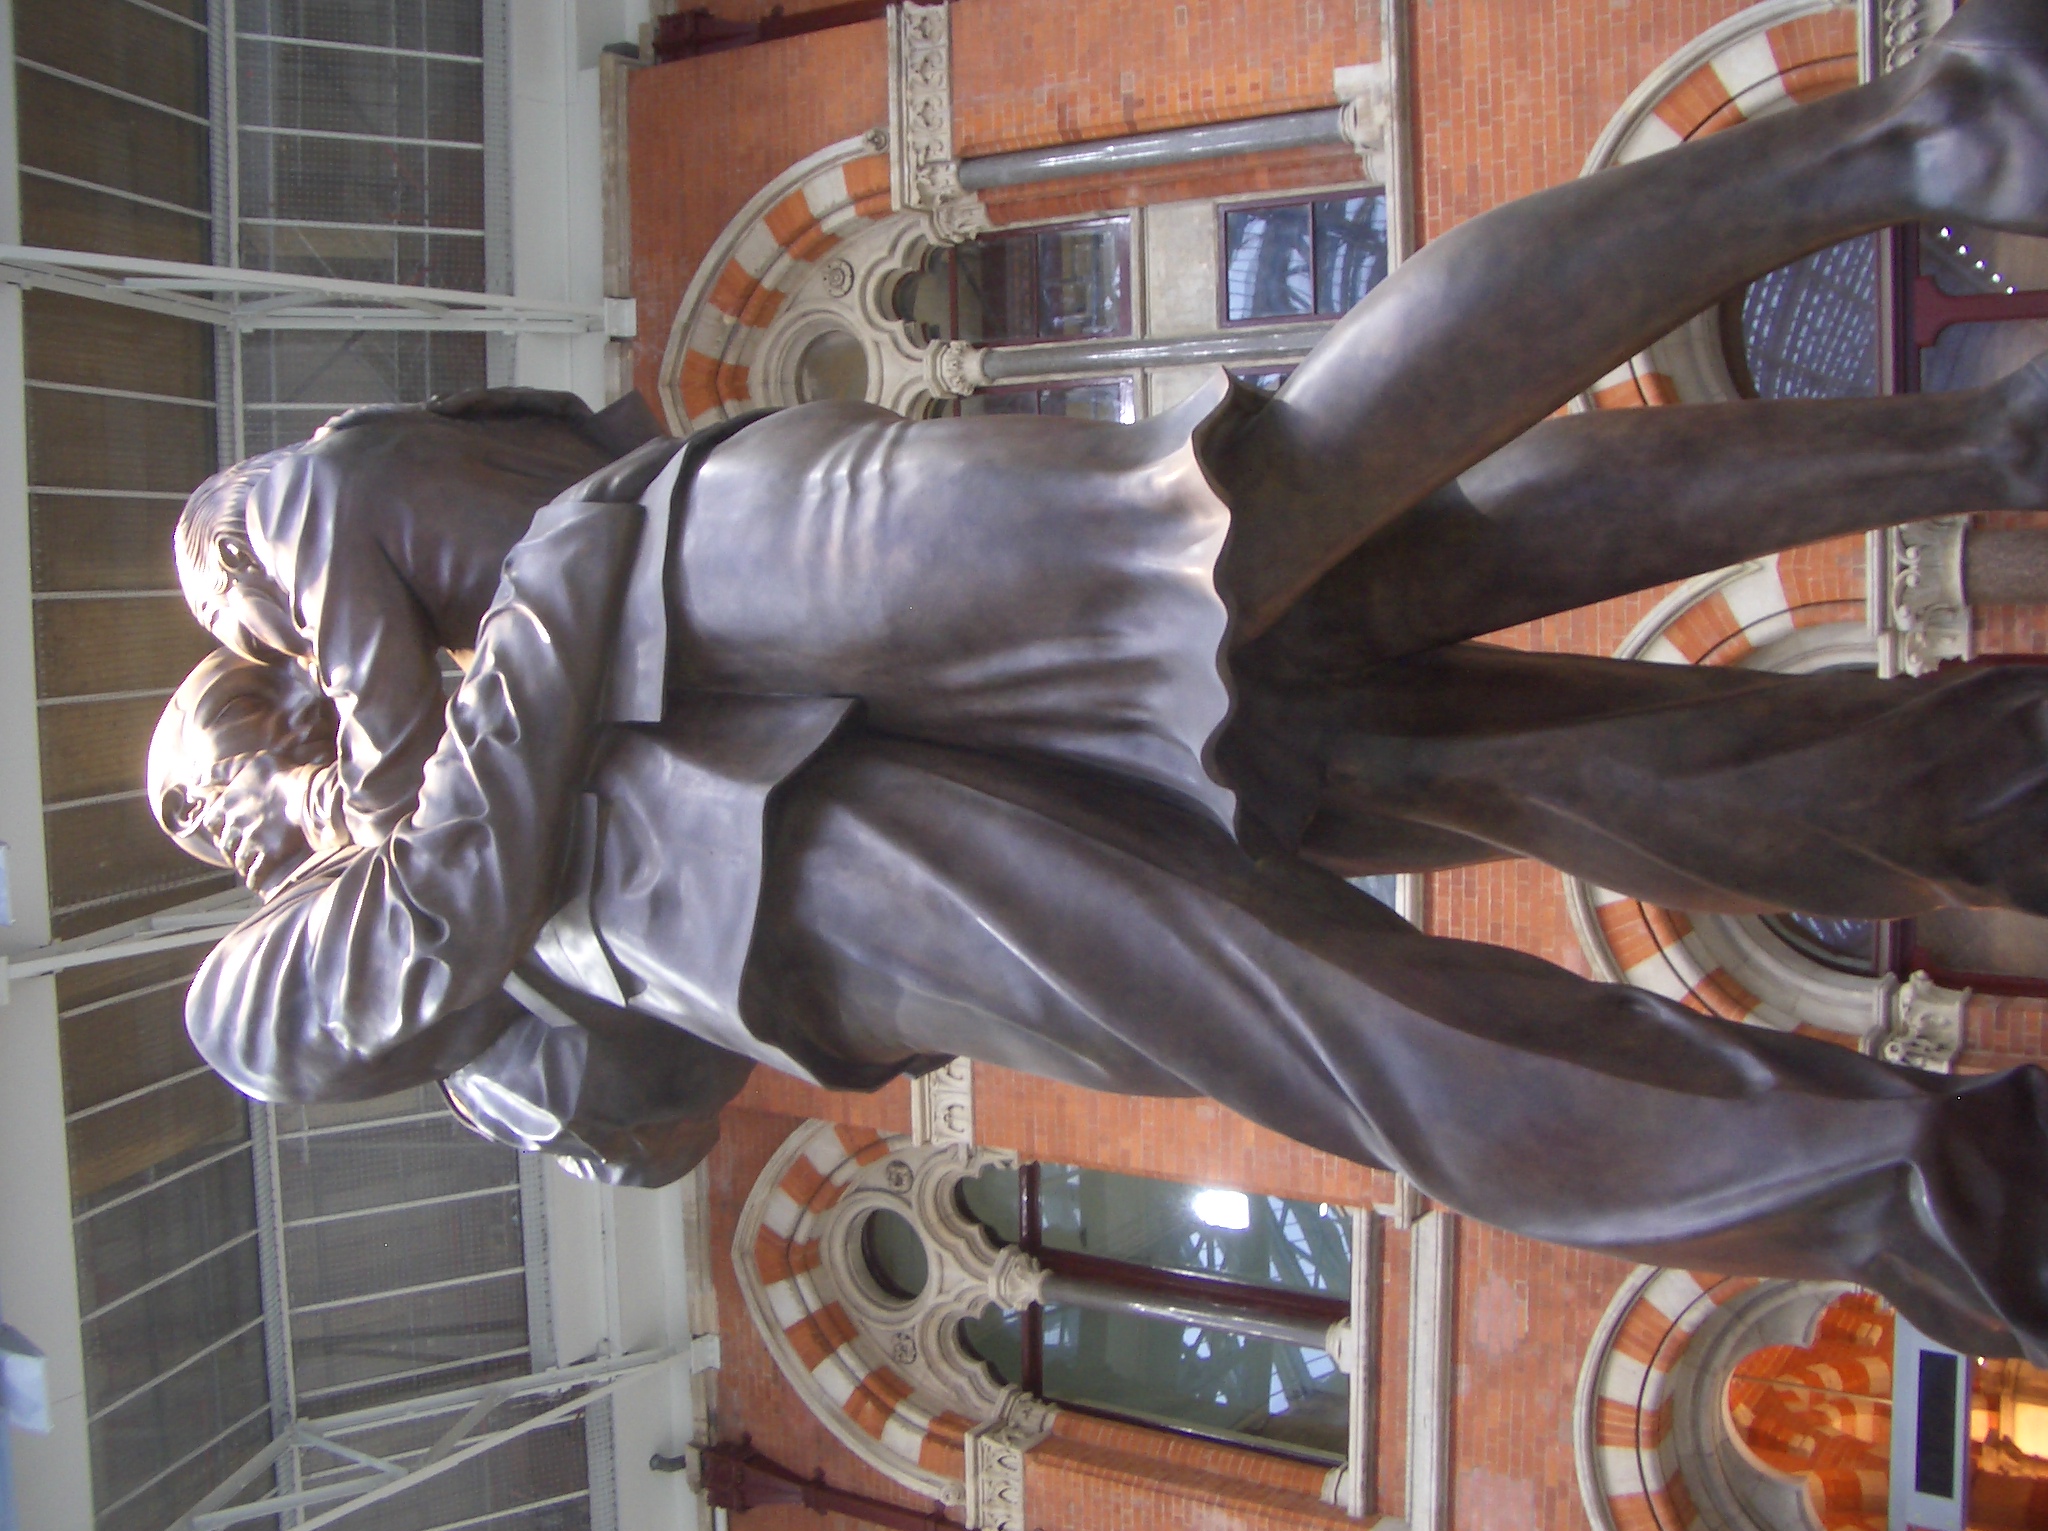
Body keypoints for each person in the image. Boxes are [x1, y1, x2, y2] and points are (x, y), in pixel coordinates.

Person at [154, 0, 2048, 1361]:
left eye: (224, 767)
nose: (232, 808)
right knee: (1362, 989)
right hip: (775, 895)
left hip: (748, 565)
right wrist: (479, 748)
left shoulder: (284, 556)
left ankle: (1923, 142)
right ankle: (1970, 986)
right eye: (215, 821)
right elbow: (574, 1053)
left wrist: (453, 777)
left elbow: (459, 607)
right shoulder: (252, 998)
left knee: (1280, 496)